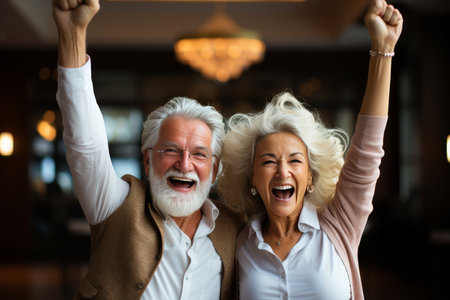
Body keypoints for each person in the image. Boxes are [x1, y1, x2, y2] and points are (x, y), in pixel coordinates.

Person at [52, 0, 244, 299]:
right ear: (147, 159)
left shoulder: (236, 229)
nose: (184, 163)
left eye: (199, 153)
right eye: (170, 150)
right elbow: (85, 144)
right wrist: (73, 33)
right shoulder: (116, 206)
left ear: (215, 169)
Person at [217, 0, 403, 299]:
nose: (282, 170)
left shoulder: (339, 223)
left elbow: (368, 147)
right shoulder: (239, 241)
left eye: (295, 160)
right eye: (268, 161)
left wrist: (383, 48)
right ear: (252, 178)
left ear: (311, 176)